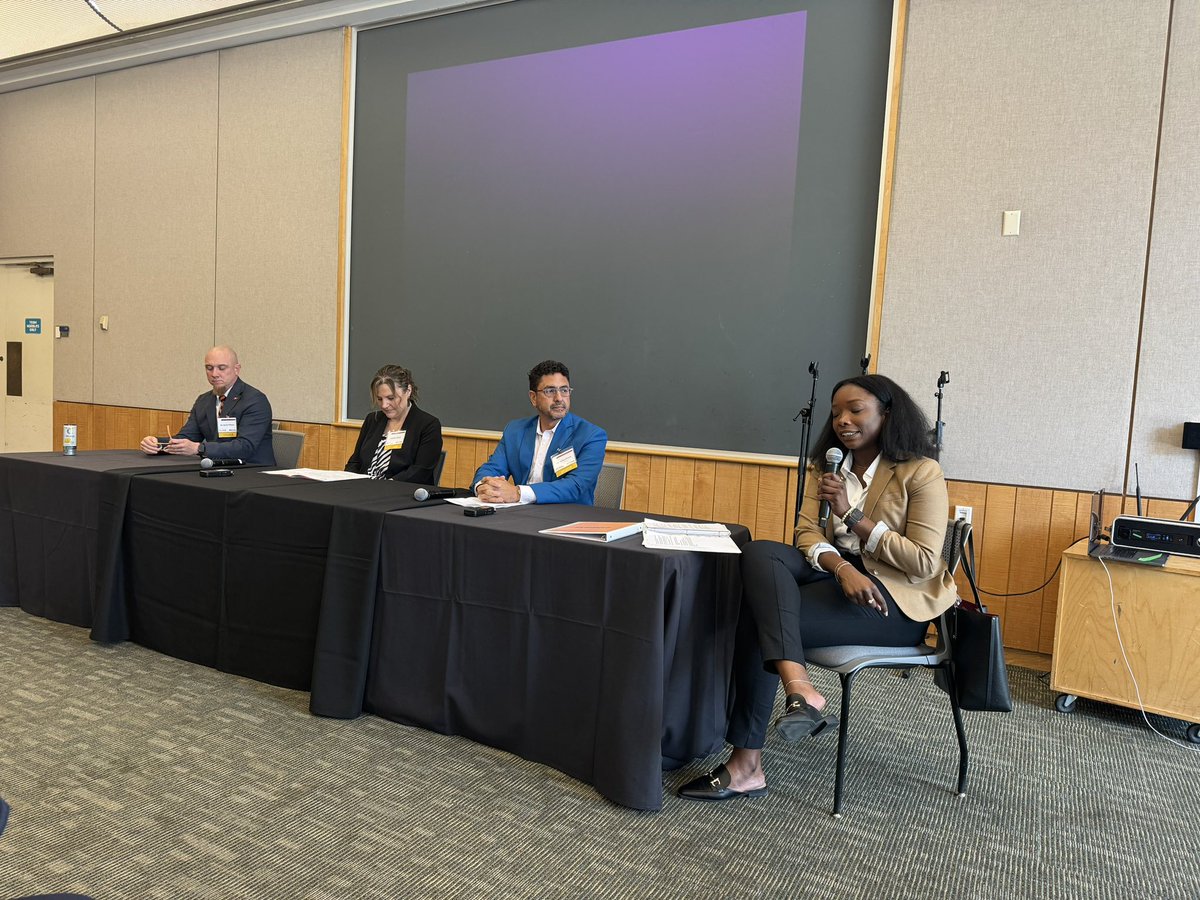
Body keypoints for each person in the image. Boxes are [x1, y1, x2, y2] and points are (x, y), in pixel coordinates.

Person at [678, 374, 957, 802]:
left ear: (886, 413)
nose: (843, 420)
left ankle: (747, 765)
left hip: (894, 603)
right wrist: (843, 569)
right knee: (761, 553)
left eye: (856, 410)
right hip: (839, 576)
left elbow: (922, 561)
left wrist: (853, 516)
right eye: (837, 412)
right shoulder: (828, 466)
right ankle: (798, 685)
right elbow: (806, 532)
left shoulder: (921, 472)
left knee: (759, 616)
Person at [472, 360, 607, 505]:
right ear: (533, 398)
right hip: (520, 515)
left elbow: (575, 486)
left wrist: (518, 493)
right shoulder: (515, 430)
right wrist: (483, 487)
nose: (559, 398)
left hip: (568, 518)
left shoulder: (591, 435)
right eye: (550, 391)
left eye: (564, 390)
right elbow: (493, 467)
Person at [139, 345, 275, 465]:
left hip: (251, 470)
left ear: (236, 369)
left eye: (222, 368)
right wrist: (157, 444)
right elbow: (187, 437)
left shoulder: (255, 400)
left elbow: (245, 447)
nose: (214, 374)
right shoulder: (204, 400)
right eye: (209, 368)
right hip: (216, 467)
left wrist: (199, 448)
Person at [345, 365, 443, 483]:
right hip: (363, 489)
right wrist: (347, 482)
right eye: (380, 399)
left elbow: (420, 471)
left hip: (400, 493)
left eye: (391, 398)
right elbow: (355, 462)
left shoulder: (428, 425)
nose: (384, 405)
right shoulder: (372, 420)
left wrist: (386, 485)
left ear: (408, 391)